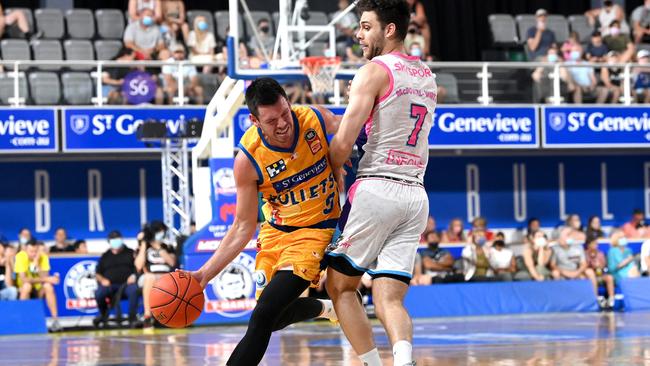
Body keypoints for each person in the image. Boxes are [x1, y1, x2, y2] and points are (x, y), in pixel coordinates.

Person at [187, 77, 343, 365]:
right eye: (272, 120)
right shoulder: (248, 160)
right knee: (274, 318)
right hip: (276, 233)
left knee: (261, 317)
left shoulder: (314, 119)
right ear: (255, 120)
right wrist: (204, 274)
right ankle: (325, 308)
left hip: (316, 231)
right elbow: (243, 226)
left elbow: (352, 127)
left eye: (285, 113)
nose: (283, 123)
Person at [324, 1, 436, 364]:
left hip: (377, 188)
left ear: (389, 29)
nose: (358, 33)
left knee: (339, 287)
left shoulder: (372, 71)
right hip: (416, 195)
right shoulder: (426, 76)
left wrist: (324, 170)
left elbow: (342, 145)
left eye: (366, 26)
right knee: (390, 297)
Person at [94, 231, 140, 328]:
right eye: (113, 239)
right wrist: (102, 280)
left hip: (127, 284)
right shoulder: (105, 256)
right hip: (110, 285)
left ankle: (132, 318)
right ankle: (103, 316)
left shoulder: (130, 253)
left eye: (117, 239)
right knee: (99, 293)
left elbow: (138, 268)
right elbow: (97, 273)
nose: (116, 242)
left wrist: (134, 276)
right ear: (109, 241)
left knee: (133, 290)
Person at [135, 221, 176, 328]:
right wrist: (144, 244)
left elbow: (172, 262)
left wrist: (158, 248)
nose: (161, 234)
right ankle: (147, 315)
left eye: (163, 232)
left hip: (165, 276)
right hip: (147, 277)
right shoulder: (143, 247)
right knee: (150, 277)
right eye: (159, 231)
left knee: (164, 279)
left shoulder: (167, 247)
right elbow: (139, 266)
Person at [14, 239, 62, 331]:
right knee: (27, 286)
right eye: (31, 251)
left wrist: (37, 264)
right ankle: (22, 319)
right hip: (24, 288)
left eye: (35, 251)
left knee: (48, 286)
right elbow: (24, 279)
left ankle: (55, 320)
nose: (33, 254)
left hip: (39, 288)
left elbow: (45, 276)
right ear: (25, 250)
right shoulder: (20, 257)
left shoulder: (43, 257)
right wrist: (46, 279)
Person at [584, 237, 615, 309]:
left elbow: (604, 265)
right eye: (594, 244)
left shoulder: (600, 254)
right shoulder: (585, 254)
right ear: (589, 245)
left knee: (609, 277)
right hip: (590, 277)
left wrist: (600, 266)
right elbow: (584, 266)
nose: (596, 245)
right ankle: (596, 298)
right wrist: (591, 264)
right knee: (592, 276)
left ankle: (611, 300)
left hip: (600, 275)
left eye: (596, 244)